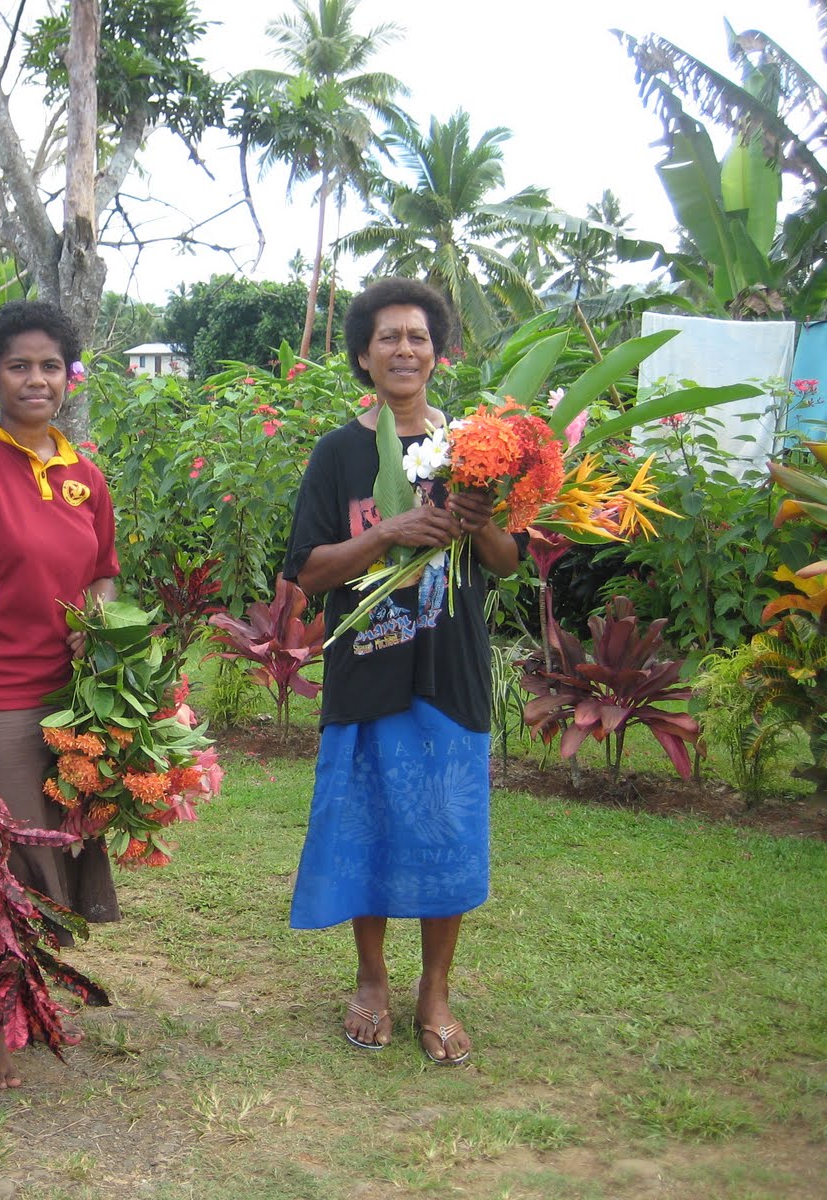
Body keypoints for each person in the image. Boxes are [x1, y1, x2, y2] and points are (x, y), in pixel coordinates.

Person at [282, 278, 521, 1067]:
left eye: (418, 337)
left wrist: (478, 523)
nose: (404, 350)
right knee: (372, 828)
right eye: (388, 337)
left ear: (438, 353)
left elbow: (508, 562)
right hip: (368, 669)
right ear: (362, 354)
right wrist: (391, 530)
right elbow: (310, 572)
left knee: (447, 833)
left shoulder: (476, 450)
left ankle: (437, 991)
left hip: (447, 672)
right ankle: (373, 981)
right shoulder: (339, 453)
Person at [0, 299, 121, 1089]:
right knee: (1, 864)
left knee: (60, 848)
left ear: (69, 376)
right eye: (18, 366)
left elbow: (103, 572)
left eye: (49, 365)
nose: (35, 379)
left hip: (72, 700)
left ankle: (24, 997)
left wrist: (101, 630)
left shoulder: (84, 472)